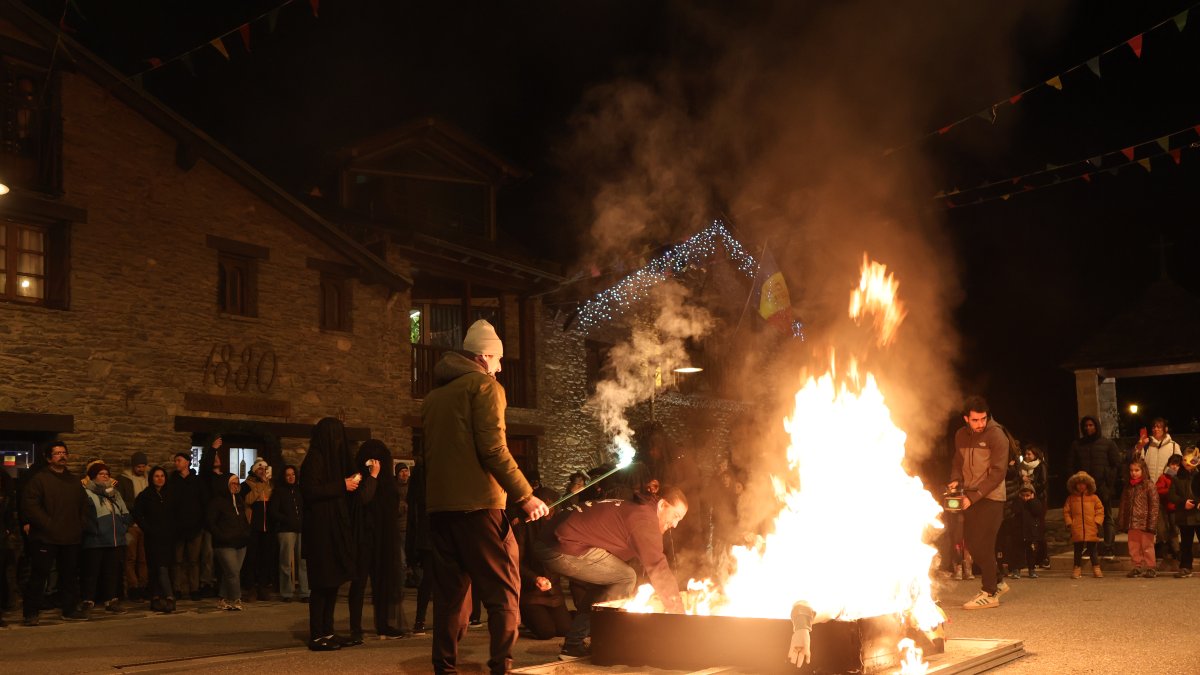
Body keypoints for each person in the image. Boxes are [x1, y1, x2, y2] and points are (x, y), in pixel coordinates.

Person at [422, 319, 549, 675]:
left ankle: (444, 668)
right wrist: (525, 496)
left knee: (450, 600)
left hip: (441, 511)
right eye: (498, 359)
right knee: (504, 593)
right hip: (479, 508)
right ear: (484, 356)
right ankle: (501, 668)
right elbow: (493, 449)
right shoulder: (485, 388)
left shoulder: (433, 398)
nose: (500, 367)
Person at [537, 488, 689, 660]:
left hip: (554, 538)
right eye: (675, 516)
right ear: (662, 505)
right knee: (625, 578)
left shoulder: (640, 509)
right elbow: (658, 568)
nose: (675, 525)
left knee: (610, 579)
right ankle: (604, 643)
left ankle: (574, 645)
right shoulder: (645, 520)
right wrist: (679, 615)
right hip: (559, 544)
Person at [300, 417, 361, 651]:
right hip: (320, 533)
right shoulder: (315, 459)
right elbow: (309, 490)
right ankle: (317, 635)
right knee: (321, 585)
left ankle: (327, 630)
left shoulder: (332, 461)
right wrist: (341, 485)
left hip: (333, 529)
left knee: (332, 582)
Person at [947, 396, 1009, 610]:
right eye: (975, 420)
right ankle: (998, 581)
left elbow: (999, 473)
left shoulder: (997, 435)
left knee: (984, 544)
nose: (980, 423)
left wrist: (972, 497)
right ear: (966, 419)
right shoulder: (960, 435)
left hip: (991, 497)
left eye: (983, 419)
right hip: (969, 496)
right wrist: (955, 479)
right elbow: (958, 460)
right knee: (971, 543)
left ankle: (989, 592)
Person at [21, 441, 89, 625]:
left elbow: (84, 506)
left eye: (64, 452)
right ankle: (30, 612)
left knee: (69, 576)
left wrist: (80, 524)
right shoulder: (39, 479)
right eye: (57, 453)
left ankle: (69, 609)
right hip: (46, 537)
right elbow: (31, 505)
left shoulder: (74, 481)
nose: (62, 456)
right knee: (39, 575)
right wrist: (48, 524)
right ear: (49, 457)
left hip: (70, 536)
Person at [348, 439, 407, 640]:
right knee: (359, 583)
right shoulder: (360, 477)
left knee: (382, 582)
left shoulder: (387, 482)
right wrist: (372, 476)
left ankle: (382, 624)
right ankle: (355, 627)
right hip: (364, 537)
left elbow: (392, 505)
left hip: (382, 537)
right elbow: (363, 499)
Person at [516, 486, 571, 640]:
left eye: (553, 506)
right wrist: (535, 578)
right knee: (546, 632)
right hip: (531, 593)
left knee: (564, 629)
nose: (549, 512)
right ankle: (526, 617)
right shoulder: (524, 527)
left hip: (553, 591)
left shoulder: (558, 523)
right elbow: (515, 562)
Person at [80, 461, 131, 615]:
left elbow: (124, 510)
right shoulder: (86, 492)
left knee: (112, 571)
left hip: (114, 538)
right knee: (92, 572)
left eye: (107, 474)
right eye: (101, 474)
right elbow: (83, 515)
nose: (105, 477)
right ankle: (88, 600)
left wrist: (124, 526)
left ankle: (111, 600)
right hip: (95, 539)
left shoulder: (114, 493)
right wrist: (94, 529)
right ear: (93, 477)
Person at [1070, 416, 1122, 560]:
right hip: (1084, 489)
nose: (1088, 428)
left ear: (1096, 426)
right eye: (1086, 425)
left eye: (1091, 425)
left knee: (1107, 517)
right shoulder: (1077, 445)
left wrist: (1108, 480)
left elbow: (1116, 464)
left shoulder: (1107, 444)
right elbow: (1072, 465)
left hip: (1103, 486)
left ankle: (1109, 547)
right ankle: (1090, 547)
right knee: (1087, 519)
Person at [133, 466, 176, 613]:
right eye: (156, 476)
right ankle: (169, 597)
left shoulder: (171, 494)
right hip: (153, 538)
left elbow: (177, 513)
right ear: (151, 478)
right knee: (158, 568)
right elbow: (137, 514)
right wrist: (148, 529)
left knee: (163, 568)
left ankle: (156, 598)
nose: (160, 479)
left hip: (168, 537)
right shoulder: (145, 495)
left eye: (162, 476)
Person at [208, 473, 251, 611]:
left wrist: (246, 533)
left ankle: (222, 599)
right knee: (232, 572)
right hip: (225, 544)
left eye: (237, 483)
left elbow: (243, 519)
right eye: (233, 483)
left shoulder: (239, 500)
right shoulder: (217, 502)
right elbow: (210, 522)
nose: (236, 486)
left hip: (240, 543)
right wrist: (221, 536)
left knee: (231, 573)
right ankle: (236, 599)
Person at [269, 464, 309, 602]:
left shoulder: (299, 491)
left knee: (303, 562)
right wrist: (287, 520)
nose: (291, 477)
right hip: (286, 530)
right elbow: (273, 511)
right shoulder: (279, 492)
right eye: (288, 475)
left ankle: (305, 592)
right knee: (285, 562)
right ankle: (286, 592)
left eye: (293, 474)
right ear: (284, 477)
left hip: (301, 529)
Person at [170, 451, 205, 601]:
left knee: (194, 561)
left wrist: (200, 522)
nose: (176, 463)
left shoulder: (197, 481)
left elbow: (203, 502)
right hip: (177, 528)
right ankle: (176, 589)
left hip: (195, 527)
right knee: (176, 561)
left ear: (187, 462)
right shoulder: (172, 481)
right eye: (175, 461)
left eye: (179, 460)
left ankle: (194, 589)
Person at [1118, 458, 1159, 578]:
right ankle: (1137, 566)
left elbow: (1154, 505)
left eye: (1137, 470)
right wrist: (1122, 521)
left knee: (1147, 546)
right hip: (1132, 522)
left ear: (1143, 471)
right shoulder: (1128, 487)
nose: (1133, 473)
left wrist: (1152, 524)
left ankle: (1151, 567)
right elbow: (1123, 504)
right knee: (1133, 545)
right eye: (1131, 470)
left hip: (1145, 522)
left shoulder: (1149, 485)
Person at [116, 451, 149, 601]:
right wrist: (137, 506)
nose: (141, 469)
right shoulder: (124, 480)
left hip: (146, 525)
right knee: (131, 558)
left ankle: (143, 586)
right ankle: (133, 587)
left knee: (143, 558)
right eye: (138, 466)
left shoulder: (148, 479)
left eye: (143, 466)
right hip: (131, 524)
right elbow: (120, 500)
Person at [241, 458, 275, 601]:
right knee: (252, 558)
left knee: (265, 558)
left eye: (264, 469)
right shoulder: (246, 484)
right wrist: (261, 484)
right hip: (253, 526)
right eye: (259, 469)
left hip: (268, 527)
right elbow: (248, 500)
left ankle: (263, 587)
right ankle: (250, 588)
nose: (262, 471)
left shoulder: (271, 484)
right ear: (254, 470)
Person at [1063, 471, 1105, 579]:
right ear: (1074, 485)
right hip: (1077, 528)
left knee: (1093, 550)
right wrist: (1070, 523)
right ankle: (1077, 568)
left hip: (1091, 527)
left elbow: (1100, 510)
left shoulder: (1094, 498)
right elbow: (1066, 511)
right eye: (1078, 484)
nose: (1081, 486)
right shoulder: (1071, 498)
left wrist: (1096, 522)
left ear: (1088, 484)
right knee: (1077, 550)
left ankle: (1096, 568)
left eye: (1083, 483)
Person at [1167, 447, 1200, 578]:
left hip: (1198, 514)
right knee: (1186, 543)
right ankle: (1186, 566)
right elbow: (1172, 496)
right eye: (1185, 459)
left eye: (1191, 459)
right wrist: (1182, 503)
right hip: (1184, 516)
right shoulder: (1176, 478)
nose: (1187, 462)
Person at [1018, 445, 1049, 568]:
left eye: (1029, 454)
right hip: (1024, 498)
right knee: (1027, 528)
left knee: (1039, 528)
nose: (1026, 456)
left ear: (1035, 455)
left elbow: (1043, 482)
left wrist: (1030, 483)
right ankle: (1030, 559)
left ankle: (1043, 558)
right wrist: (1022, 480)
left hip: (1038, 499)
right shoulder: (1021, 468)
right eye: (1025, 454)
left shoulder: (1040, 466)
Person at [1155, 453, 1184, 568]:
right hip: (1163, 507)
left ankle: (1176, 551)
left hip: (1175, 508)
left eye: (1177, 465)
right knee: (1162, 529)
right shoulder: (1164, 477)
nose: (1174, 467)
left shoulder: (1181, 478)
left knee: (1174, 529)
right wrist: (1170, 491)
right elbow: (1158, 490)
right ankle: (1163, 549)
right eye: (1172, 464)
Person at [1015, 486, 1045, 578]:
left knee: (1031, 551)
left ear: (1032, 495)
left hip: (1031, 531)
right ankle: (1016, 569)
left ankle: (1031, 569)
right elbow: (1015, 512)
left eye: (1028, 495)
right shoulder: (1018, 503)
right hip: (1019, 530)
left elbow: (1037, 512)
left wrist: (1031, 501)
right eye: (1023, 495)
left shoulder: (1036, 503)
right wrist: (1020, 501)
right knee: (1018, 551)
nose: (1025, 498)